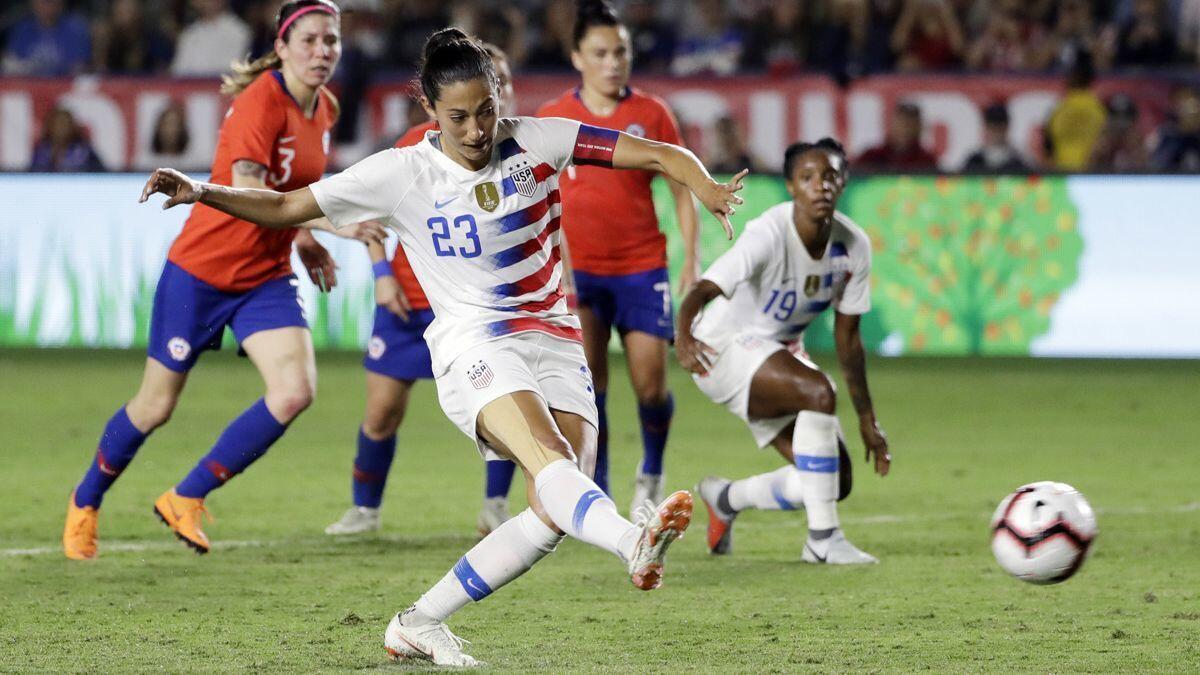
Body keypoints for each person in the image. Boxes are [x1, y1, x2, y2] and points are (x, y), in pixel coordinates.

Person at [138, 27, 745, 667]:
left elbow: (656, 154)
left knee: (550, 512)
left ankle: (418, 621)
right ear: (430, 111)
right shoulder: (401, 174)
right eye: (459, 117)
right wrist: (202, 191)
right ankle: (633, 541)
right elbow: (288, 206)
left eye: (486, 110)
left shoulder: (540, 138)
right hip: (474, 343)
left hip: (556, 337)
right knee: (552, 463)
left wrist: (703, 184)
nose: (478, 129)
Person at [62, 0, 386, 561]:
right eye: (308, 40)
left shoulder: (325, 107)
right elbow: (250, 195)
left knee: (294, 391)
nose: (322, 51)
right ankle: (85, 500)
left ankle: (186, 495)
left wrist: (305, 240)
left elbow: (294, 191)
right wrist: (336, 226)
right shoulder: (260, 103)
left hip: (264, 276)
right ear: (280, 46)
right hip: (203, 271)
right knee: (155, 406)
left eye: (330, 41)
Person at [324, 42, 523, 538]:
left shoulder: (519, 154)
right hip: (409, 302)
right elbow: (366, 210)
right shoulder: (418, 143)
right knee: (382, 411)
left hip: (478, 310)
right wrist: (380, 273)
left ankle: (495, 505)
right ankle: (364, 509)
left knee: (500, 412)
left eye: (496, 85)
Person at [676, 138, 891, 565]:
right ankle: (823, 542)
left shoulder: (853, 247)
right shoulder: (770, 232)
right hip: (721, 346)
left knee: (835, 480)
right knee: (818, 390)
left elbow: (849, 342)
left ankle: (726, 497)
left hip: (776, 354)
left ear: (843, 182)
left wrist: (869, 420)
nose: (820, 186)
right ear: (792, 186)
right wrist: (683, 334)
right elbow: (705, 288)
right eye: (808, 177)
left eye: (830, 176)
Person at [534, 0, 702, 515]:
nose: (613, 62)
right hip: (579, 273)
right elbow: (537, 197)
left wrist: (690, 262)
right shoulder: (553, 117)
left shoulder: (651, 115)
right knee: (590, 382)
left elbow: (680, 188)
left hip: (641, 266)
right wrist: (551, 268)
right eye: (601, 53)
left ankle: (650, 470)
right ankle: (599, 484)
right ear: (577, 57)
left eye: (621, 52)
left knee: (650, 383)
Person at [1044, 51, 1106, 171]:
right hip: (1090, 173)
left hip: (1062, 172)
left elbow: (1047, 145)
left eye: (1069, 74)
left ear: (1075, 76)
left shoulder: (1060, 108)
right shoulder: (1099, 109)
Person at [1, 0, 90, 76]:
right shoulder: (23, 29)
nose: (46, 5)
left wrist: (37, 68)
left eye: (50, 1)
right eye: (43, 1)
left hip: (62, 89)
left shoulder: (76, 30)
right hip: (28, 87)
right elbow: (10, 65)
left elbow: (78, 69)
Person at [171, 0, 253, 76]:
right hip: (190, 89)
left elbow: (229, 74)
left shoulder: (239, 32)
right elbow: (177, 73)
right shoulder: (189, 34)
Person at [855, 101, 937, 171]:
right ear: (892, 125)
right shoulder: (870, 157)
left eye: (911, 124)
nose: (906, 129)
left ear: (919, 128)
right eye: (902, 123)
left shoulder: (927, 160)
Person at [29, 106, 105, 173]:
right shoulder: (41, 150)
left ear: (73, 127)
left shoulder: (85, 151)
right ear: (49, 126)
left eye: (65, 123)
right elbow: (32, 175)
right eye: (57, 123)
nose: (61, 128)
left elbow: (101, 175)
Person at [961, 102, 1027, 173]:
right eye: (992, 127)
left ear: (1006, 129)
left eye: (999, 128)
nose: (996, 133)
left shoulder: (1018, 163)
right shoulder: (973, 161)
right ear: (985, 128)